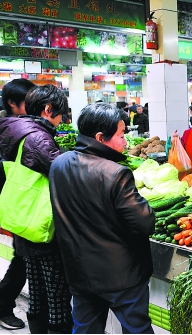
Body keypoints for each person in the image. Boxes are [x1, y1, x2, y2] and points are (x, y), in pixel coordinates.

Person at [48, 103, 155, 334]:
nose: (125, 141)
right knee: (137, 329)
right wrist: (143, 201)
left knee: (86, 329)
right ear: (100, 137)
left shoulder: (58, 163)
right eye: (121, 134)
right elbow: (144, 222)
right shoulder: (115, 173)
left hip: (80, 271)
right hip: (122, 275)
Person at [0, 85, 73, 334]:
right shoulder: (37, 137)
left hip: (25, 223)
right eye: (60, 114)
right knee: (57, 297)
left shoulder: (16, 130)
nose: (61, 120)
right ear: (48, 109)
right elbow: (63, 175)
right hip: (42, 229)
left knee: (38, 292)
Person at [0, 78, 35, 331]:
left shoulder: (22, 126)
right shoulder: (12, 130)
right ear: (13, 103)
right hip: (18, 204)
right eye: (29, 100)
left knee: (22, 258)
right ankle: (2, 306)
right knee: (22, 259)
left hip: (23, 203)